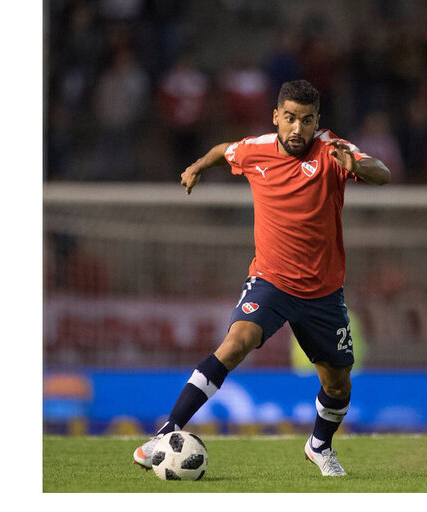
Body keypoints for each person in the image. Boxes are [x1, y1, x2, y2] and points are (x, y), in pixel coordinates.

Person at [133, 80, 391, 477]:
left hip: (323, 293)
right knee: (237, 343)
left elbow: (383, 173)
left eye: (306, 120)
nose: (297, 129)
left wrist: (358, 166)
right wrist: (198, 166)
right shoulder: (256, 150)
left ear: (317, 121)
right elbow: (223, 151)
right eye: (289, 118)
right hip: (271, 281)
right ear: (276, 117)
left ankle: (319, 446)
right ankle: (166, 432)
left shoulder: (332, 150)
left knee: (339, 386)